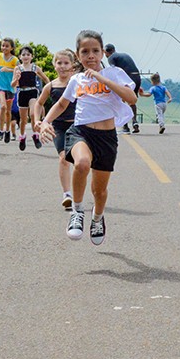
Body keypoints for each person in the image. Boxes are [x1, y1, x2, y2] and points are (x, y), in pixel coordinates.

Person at [39, 31, 137, 245]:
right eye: (85, 51)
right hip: (81, 131)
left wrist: (101, 77)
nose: (90, 55)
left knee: (99, 191)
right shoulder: (76, 79)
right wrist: (45, 121)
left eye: (95, 51)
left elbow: (131, 98)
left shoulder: (115, 73)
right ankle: (77, 211)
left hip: (106, 137)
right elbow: (62, 104)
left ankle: (98, 218)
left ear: (102, 53)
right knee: (81, 163)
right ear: (78, 55)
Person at [33, 49, 79, 209]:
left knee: (80, 162)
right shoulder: (50, 86)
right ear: (54, 65)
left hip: (78, 126)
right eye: (59, 63)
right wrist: (37, 121)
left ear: (72, 65)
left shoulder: (78, 83)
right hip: (58, 127)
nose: (63, 66)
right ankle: (67, 194)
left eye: (66, 63)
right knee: (63, 158)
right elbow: (38, 104)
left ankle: (80, 191)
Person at [13, 46, 51, 150]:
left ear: (32, 56)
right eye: (23, 54)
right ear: (20, 57)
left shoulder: (35, 68)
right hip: (22, 93)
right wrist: (16, 78)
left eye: (28, 54)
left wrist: (50, 88)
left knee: (33, 114)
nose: (26, 56)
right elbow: (12, 84)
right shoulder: (17, 69)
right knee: (23, 120)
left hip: (33, 92)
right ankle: (22, 136)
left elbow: (45, 78)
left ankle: (35, 135)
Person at [104, 43, 143, 133]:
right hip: (137, 77)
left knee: (122, 100)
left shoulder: (111, 58)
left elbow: (113, 71)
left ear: (106, 52)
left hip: (128, 78)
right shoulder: (124, 55)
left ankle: (125, 126)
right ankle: (134, 122)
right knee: (132, 101)